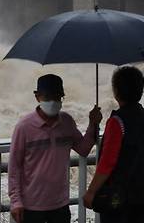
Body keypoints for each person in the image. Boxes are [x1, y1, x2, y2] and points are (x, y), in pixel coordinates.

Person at [9, 74, 102, 223]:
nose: (53, 102)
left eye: (58, 97)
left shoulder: (67, 122)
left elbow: (84, 149)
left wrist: (93, 124)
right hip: (32, 206)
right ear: (37, 97)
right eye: (48, 97)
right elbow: (14, 167)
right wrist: (16, 201)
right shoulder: (24, 127)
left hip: (60, 205)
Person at [83, 66, 144, 223]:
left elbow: (107, 162)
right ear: (141, 91)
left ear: (116, 92)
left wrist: (91, 192)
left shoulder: (117, 122)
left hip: (119, 196)